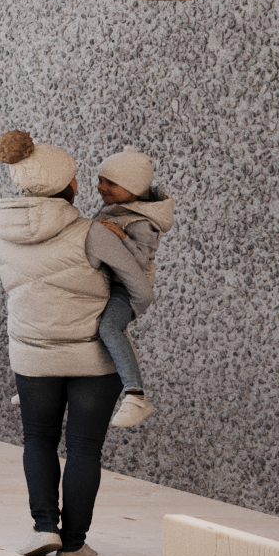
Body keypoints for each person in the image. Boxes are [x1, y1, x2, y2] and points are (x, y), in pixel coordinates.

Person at [0, 133, 117, 556]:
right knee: (84, 448)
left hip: (32, 353)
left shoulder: (3, 229)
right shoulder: (94, 232)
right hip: (92, 355)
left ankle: (44, 527)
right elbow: (136, 286)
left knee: (38, 440)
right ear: (67, 184)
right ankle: (75, 542)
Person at [86, 147, 176, 429]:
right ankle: (44, 378)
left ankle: (136, 394)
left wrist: (121, 236)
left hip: (126, 289)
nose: (101, 188)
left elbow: (139, 261)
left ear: (134, 189)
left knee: (110, 328)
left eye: (110, 183)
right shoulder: (119, 207)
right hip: (105, 282)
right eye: (100, 180)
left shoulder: (142, 222)